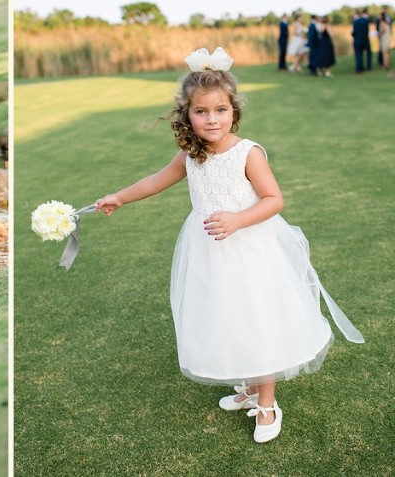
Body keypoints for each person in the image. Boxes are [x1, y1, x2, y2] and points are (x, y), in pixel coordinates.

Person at [95, 48, 364, 444]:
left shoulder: (247, 153)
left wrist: (238, 219)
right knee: (226, 314)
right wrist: (119, 196)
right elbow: (156, 180)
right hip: (208, 249)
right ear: (187, 115)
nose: (212, 119)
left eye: (220, 110)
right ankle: (249, 386)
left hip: (249, 248)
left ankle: (268, 402)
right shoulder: (191, 152)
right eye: (201, 112)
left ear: (233, 111)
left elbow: (274, 200)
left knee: (255, 317)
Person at [352, 9, 372, 73]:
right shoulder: (365, 21)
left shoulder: (355, 22)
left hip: (357, 40)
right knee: (368, 53)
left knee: (359, 55)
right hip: (365, 40)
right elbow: (367, 31)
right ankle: (368, 67)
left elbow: (353, 32)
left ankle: (359, 69)